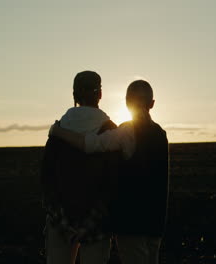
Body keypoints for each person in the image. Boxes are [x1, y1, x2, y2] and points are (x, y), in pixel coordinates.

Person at [50, 80, 169, 264]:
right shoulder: (161, 134)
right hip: (156, 223)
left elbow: (89, 144)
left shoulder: (126, 132)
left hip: (130, 225)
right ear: (152, 104)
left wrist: (57, 131)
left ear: (127, 102)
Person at [41, 71, 119, 264]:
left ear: (74, 95)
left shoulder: (58, 131)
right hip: (97, 227)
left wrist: (63, 222)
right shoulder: (110, 130)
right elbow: (113, 183)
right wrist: (91, 223)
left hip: (60, 225)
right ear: (100, 94)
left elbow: (46, 180)